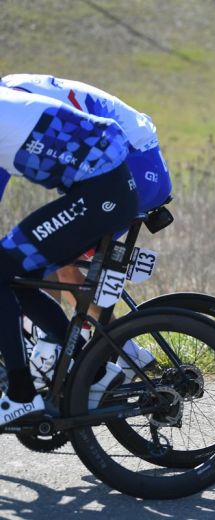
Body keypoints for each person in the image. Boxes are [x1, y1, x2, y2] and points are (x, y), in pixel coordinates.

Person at [0, 74, 172, 381]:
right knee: (41, 256)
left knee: (57, 264)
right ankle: (111, 350)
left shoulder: (10, 97)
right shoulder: (16, 89)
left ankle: (87, 351)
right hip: (137, 161)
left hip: (131, 165)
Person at [0, 85, 139, 425]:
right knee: (17, 277)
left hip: (102, 193)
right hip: (103, 188)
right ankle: (94, 373)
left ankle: (21, 393)